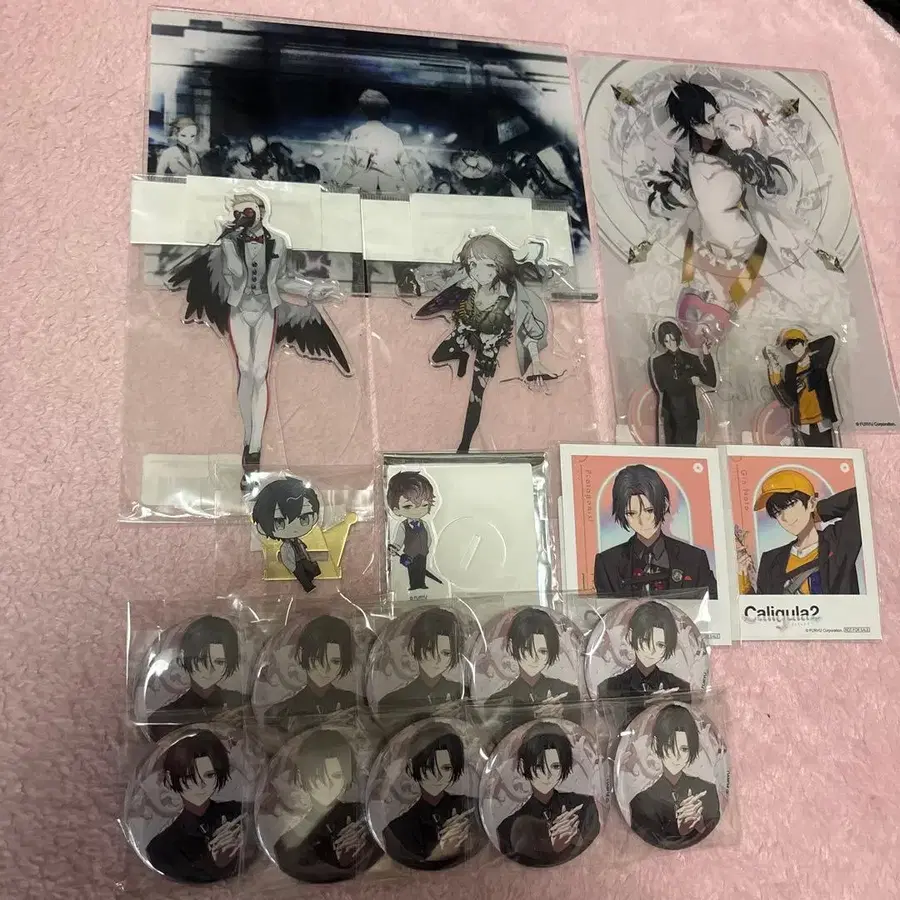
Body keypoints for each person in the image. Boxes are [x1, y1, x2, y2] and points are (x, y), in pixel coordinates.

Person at [165, 189, 351, 487]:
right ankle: (246, 434)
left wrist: (313, 290)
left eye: (248, 212)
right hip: (239, 309)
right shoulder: (230, 243)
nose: (243, 217)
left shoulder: (278, 242)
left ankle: (254, 444)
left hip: (266, 309)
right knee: (245, 369)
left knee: (260, 371)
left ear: (261, 212)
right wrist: (229, 242)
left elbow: (281, 280)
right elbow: (236, 275)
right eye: (238, 214)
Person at [415, 233, 555, 453]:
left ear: (499, 266)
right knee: (437, 356)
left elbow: (529, 328)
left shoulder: (511, 297)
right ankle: (461, 356)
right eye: (472, 264)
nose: (478, 271)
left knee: (476, 398)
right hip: (464, 333)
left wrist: (535, 361)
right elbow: (443, 287)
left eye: (488, 264)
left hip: (489, 348)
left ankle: (464, 444)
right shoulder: (468, 285)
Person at [594, 464, 717, 598]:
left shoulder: (694, 558)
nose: (642, 521)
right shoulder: (607, 563)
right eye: (631, 513)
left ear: (664, 505)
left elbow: (713, 605)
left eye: (649, 510)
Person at [273, 730, 378, 882]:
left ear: (346, 777)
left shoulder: (363, 815)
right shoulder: (285, 845)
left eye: (336, 776)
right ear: (302, 777)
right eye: (319, 775)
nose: (327, 784)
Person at [146, 730, 247, 882]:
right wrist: (213, 863)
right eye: (189, 776)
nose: (201, 785)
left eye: (209, 775)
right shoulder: (160, 848)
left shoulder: (240, 811)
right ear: (170, 779)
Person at [496, 722, 599, 866]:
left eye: (555, 766)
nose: (547, 775)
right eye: (539, 766)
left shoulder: (584, 805)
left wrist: (577, 839)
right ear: (523, 766)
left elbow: (593, 849)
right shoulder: (507, 828)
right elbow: (520, 865)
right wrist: (551, 848)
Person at [382, 724, 480, 870]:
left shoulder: (472, 806)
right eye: (429, 767)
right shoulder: (397, 829)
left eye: (446, 768)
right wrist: (439, 853)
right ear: (411, 768)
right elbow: (406, 874)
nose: (438, 776)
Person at [750, 469, 860, 595]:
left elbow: (860, 497)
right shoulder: (770, 560)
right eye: (777, 512)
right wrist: (745, 586)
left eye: (790, 505)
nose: (784, 517)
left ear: (811, 503)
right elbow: (762, 605)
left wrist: (817, 510)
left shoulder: (837, 540)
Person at [629, 704, 720, 849]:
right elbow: (650, 840)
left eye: (684, 749)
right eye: (670, 746)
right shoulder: (640, 802)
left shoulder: (708, 791)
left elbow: (713, 830)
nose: (677, 756)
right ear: (656, 745)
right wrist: (677, 829)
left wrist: (700, 826)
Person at [148, 616, 243, 740]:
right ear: (183, 657)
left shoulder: (240, 703)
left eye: (219, 662)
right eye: (201, 660)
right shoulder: (164, 716)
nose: (210, 670)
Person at [264, 616, 357, 728]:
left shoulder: (353, 704)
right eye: (317, 659)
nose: (325, 670)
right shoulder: (280, 712)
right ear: (301, 655)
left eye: (335, 662)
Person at [485, 608, 580, 710]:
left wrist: (563, 713)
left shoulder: (569, 693)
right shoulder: (497, 702)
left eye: (543, 651)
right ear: (512, 647)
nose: (535, 658)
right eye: (527, 649)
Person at [597, 601, 690, 702]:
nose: (652, 650)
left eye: (660, 645)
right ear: (631, 636)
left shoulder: (680, 687)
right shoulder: (609, 688)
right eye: (645, 640)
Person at [379, 608, 465, 711]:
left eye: (446, 653)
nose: (437, 659)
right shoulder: (392, 701)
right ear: (413, 646)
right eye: (429, 649)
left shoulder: (462, 692)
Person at [333, 89, 418, 193]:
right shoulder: (393, 136)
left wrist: (336, 184)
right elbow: (405, 165)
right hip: (390, 188)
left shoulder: (356, 134)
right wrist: (415, 187)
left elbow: (348, 164)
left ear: (363, 109)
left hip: (363, 186)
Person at [765, 328, 839, 447]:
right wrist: (776, 373)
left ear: (804, 343)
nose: (794, 350)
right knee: (809, 455)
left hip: (822, 421)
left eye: (796, 344)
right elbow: (787, 400)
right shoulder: (790, 369)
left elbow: (830, 340)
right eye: (790, 347)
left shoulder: (818, 361)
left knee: (828, 453)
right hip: (804, 425)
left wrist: (809, 346)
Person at [649, 321, 717, 446]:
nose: (671, 344)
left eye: (673, 339)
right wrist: (690, 380)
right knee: (673, 451)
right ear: (662, 342)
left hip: (689, 412)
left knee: (690, 449)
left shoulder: (692, 359)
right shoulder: (658, 362)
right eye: (666, 341)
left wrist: (706, 354)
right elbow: (663, 386)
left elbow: (711, 381)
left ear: (678, 338)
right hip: (671, 413)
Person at [252, 477, 322, 592]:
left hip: (303, 559)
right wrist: (292, 568)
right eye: (279, 522)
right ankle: (308, 587)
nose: (293, 528)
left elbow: (303, 548)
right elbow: (286, 558)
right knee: (302, 576)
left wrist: (306, 556)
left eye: (304, 518)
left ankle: (312, 578)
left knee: (311, 569)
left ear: (315, 517)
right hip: (295, 564)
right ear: (261, 528)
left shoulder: (297, 541)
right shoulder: (285, 546)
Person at [386, 472, 436, 592]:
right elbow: (399, 540)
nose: (417, 510)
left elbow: (429, 538)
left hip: (423, 553)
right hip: (410, 554)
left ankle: (421, 583)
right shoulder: (403, 526)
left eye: (424, 504)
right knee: (412, 570)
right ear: (396, 510)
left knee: (422, 568)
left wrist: (426, 548)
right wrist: (395, 548)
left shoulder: (424, 524)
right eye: (408, 506)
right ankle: (414, 585)